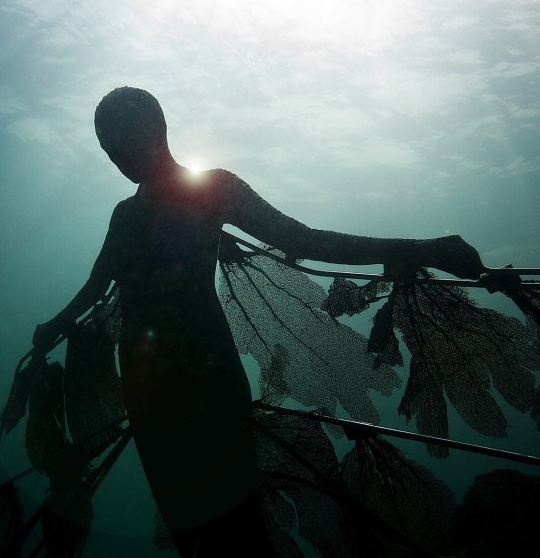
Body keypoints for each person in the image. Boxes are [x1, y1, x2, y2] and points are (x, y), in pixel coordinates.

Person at [31, 87, 487, 557]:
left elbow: (303, 241)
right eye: (108, 149)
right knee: (191, 531)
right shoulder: (123, 215)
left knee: (237, 527)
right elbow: (94, 290)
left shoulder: (214, 189)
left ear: (157, 128)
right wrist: (54, 325)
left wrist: (417, 249)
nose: (116, 157)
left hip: (208, 383)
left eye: (119, 141)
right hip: (146, 394)